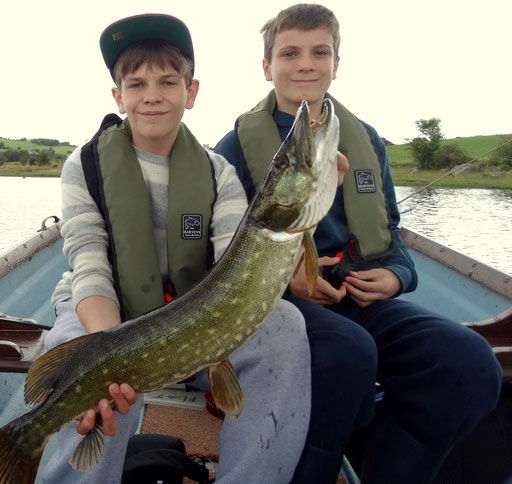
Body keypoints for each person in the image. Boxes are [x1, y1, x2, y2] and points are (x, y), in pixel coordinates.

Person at [215, 4, 503, 483]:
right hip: (278, 304)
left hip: (358, 298)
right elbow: (221, 258)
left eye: (319, 52)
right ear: (268, 67)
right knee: (348, 353)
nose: (305, 64)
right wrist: (291, 284)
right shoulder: (232, 148)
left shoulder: (366, 139)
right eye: (290, 53)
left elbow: (393, 237)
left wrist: (396, 276)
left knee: (468, 363)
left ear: (336, 64)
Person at [42, 13, 312, 484]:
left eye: (168, 81)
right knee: (73, 351)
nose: (152, 94)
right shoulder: (82, 166)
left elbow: (236, 262)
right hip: (103, 313)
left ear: (191, 92)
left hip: (192, 313)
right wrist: (110, 352)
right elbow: (88, 265)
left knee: (285, 326)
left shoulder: (217, 173)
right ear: (117, 95)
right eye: (137, 83)